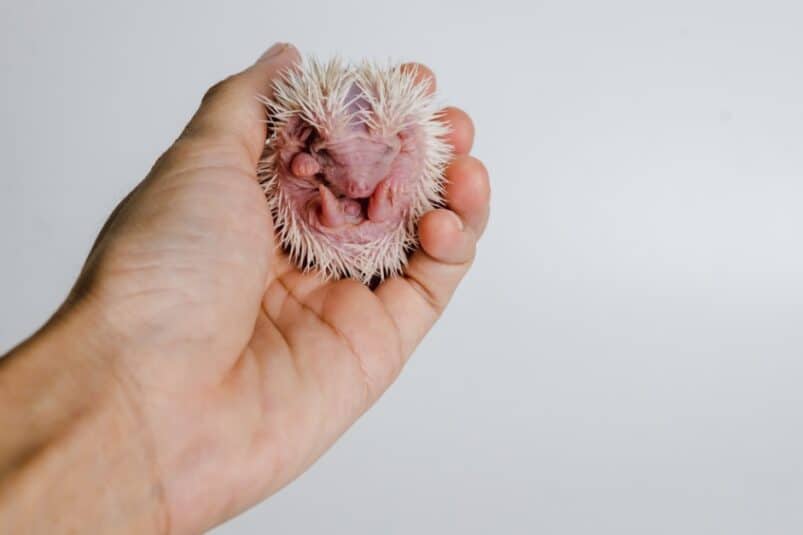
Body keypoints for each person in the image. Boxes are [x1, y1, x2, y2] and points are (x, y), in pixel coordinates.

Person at [0, 43, 490, 533]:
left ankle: (357, 202)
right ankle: (333, 203)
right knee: (313, 188)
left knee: (374, 202)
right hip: (316, 194)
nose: (358, 182)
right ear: (312, 139)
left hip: (366, 200)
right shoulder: (299, 140)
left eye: (375, 163)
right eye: (336, 161)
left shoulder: (404, 143)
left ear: (399, 144)